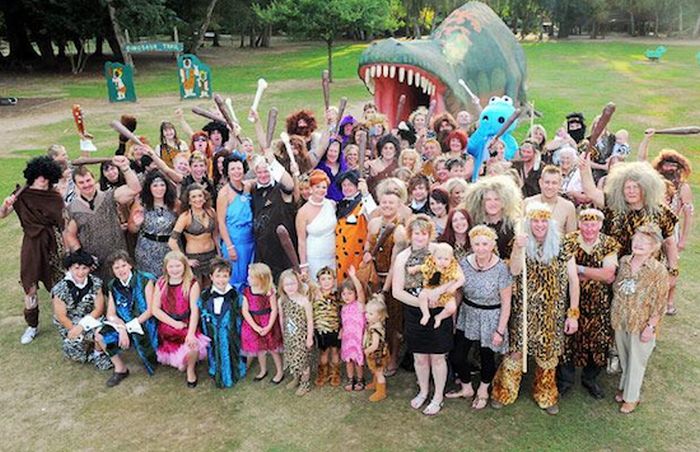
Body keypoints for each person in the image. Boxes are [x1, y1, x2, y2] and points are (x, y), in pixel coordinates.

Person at [491, 202, 579, 415]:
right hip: (524, 310)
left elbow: (573, 280)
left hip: (552, 312)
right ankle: (504, 392)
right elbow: (514, 271)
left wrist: (573, 313)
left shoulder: (563, 245)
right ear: (528, 223)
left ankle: (545, 394)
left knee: (548, 356)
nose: (539, 225)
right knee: (515, 352)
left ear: (550, 223)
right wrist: (518, 248)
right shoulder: (520, 241)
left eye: (543, 221)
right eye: (535, 221)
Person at [392, 215, 465, 416]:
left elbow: (458, 277)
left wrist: (438, 295)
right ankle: (423, 392)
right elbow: (397, 291)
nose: (420, 237)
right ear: (410, 234)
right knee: (420, 357)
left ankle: (438, 397)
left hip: (440, 310)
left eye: (424, 233)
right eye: (416, 233)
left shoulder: (440, 250)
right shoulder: (402, 257)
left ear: (430, 234)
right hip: (415, 312)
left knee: (438, 357)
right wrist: (422, 302)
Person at [580, 158, 678, 305]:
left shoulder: (660, 211)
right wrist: (584, 169)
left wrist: (673, 271)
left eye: (636, 187)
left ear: (645, 188)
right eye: (627, 187)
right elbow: (591, 192)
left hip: (645, 273)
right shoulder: (613, 204)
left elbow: (669, 243)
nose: (631, 191)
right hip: (613, 271)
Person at [1, 156, 64, 344]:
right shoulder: (21, 194)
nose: (43, 179)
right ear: (32, 175)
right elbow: (2, 215)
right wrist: (5, 205)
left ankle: (60, 317)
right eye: (39, 175)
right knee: (30, 286)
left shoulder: (54, 196)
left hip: (52, 243)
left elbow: (63, 223)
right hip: (31, 243)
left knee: (57, 284)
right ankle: (32, 325)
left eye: (46, 175)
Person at [447, 225, 511, 410]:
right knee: (457, 355)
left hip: (491, 316)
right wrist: (453, 317)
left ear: (492, 245)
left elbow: (506, 302)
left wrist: (500, 331)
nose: (481, 248)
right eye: (477, 244)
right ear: (472, 245)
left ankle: (483, 390)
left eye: (485, 244)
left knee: (487, 357)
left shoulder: (501, 268)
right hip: (468, 313)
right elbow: (459, 292)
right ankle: (466, 387)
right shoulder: (464, 264)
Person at [558, 209, 620, 399]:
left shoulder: (608, 243)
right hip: (571, 298)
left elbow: (608, 274)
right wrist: (595, 273)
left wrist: (579, 269)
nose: (589, 229)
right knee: (568, 339)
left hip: (599, 301)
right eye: (586, 224)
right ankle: (565, 380)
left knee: (598, 339)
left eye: (593, 225)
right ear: (579, 224)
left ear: (600, 225)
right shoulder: (569, 241)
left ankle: (590, 378)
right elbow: (563, 270)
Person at [611, 224, 669, 413]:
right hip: (621, 319)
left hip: (642, 323)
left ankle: (631, 398)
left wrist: (651, 326)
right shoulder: (624, 261)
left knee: (637, 362)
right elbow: (617, 287)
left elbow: (660, 301)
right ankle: (625, 388)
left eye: (645, 242)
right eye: (637, 240)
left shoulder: (658, 270)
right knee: (625, 358)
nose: (639, 244)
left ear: (654, 247)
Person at [65, 157, 142, 280]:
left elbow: (134, 189)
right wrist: (81, 254)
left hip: (118, 259)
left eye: (88, 180)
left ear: (93, 179)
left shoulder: (109, 196)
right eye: (81, 182)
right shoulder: (72, 208)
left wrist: (125, 168)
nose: (86, 185)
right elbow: (70, 234)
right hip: (94, 263)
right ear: (76, 185)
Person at [364, 188, 408, 375]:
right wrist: (367, 252)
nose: (387, 205)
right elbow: (368, 243)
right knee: (374, 319)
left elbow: (394, 266)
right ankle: (377, 353)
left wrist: (384, 291)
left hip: (392, 282)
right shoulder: (374, 223)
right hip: (374, 278)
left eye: (391, 203)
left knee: (392, 322)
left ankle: (394, 357)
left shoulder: (400, 231)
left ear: (398, 205)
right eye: (384, 202)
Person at [99, 251, 158, 387]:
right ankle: (120, 369)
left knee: (151, 353)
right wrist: (121, 328)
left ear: (130, 265)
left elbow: (150, 311)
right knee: (99, 335)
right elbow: (111, 314)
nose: (121, 270)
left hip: (145, 322)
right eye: (116, 268)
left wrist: (128, 326)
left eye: (123, 265)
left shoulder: (145, 279)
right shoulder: (113, 285)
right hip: (124, 324)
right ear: (112, 271)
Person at [152, 251, 210, 387]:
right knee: (179, 361)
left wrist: (191, 333)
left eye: (178, 266)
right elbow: (155, 309)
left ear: (185, 266)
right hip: (168, 324)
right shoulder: (161, 283)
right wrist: (174, 323)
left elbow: (195, 310)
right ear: (166, 268)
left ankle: (191, 371)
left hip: (187, 323)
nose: (175, 270)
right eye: (171, 266)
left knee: (193, 345)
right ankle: (181, 360)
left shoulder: (192, 283)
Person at [51, 250, 112, 370]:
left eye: (84, 268)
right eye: (76, 268)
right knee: (75, 352)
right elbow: (61, 316)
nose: (80, 272)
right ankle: (86, 347)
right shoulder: (60, 289)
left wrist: (82, 326)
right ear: (70, 268)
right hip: (70, 322)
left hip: (91, 317)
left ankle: (98, 353)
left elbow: (99, 309)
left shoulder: (96, 283)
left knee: (101, 333)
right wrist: (75, 329)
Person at [198, 258, 246, 388]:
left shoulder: (236, 296)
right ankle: (215, 370)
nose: (221, 280)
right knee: (214, 351)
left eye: (225, 276)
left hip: (231, 334)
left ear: (230, 277)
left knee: (231, 351)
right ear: (211, 277)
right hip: (212, 334)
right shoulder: (204, 296)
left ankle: (234, 372)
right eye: (218, 276)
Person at [250, 154, 297, 281]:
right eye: (259, 172)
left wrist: (271, 159)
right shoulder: (253, 191)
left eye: (266, 171)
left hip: (281, 248)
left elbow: (290, 186)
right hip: (262, 249)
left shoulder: (280, 189)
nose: (263, 175)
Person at [216, 155, 255, 292]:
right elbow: (221, 222)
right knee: (236, 278)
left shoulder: (247, 186)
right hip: (234, 241)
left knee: (250, 277)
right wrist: (229, 246)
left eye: (239, 168)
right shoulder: (224, 193)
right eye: (232, 169)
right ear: (227, 172)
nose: (236, 172)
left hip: (250, 239)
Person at [241, 263, 284, 384]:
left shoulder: (269, 291)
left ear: (261, 278)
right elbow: (245, 311)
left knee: (273, 348)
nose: (248, 278)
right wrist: (255, 327)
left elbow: (274, 309)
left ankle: (279, 371)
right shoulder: (247, 292)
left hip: (267, 321)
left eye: (251, 277)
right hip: (253, 322)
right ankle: (263, 370)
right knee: (259, 348)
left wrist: (269, 326)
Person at [169, 183, 219, 287]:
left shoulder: (211, 212)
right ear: (189, 201)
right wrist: (185, 260)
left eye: (200, 196)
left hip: (212, 256)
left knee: (212, 287)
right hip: (195, 258)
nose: (198, 199)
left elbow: (215, 234)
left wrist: (219, 253)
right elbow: (172, 241)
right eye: (193, 197)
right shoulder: (185, 217)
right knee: (196, 287)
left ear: (204, 198)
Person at [130, 171, 178, 278]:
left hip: (167, 248)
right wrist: (137, 224)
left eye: (162, 185)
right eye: (155, 185)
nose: (159, 189)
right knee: (148, 280)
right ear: (149, 188)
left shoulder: (174, 204)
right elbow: (131, 229)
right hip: (146, 249)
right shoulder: (141, 204)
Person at [463, 174, 522, 259]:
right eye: (488, 200)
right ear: (481, 202)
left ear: (504, 202)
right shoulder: (474, 224)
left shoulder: (514, 225)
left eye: (497, 199)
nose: (492, 203)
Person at [335, 170, 377, 283]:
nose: (347, 188)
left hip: (357, 254)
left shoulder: (363, 203)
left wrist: (366, 194)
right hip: (340, 255)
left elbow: (374, 216)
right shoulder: (338, 205)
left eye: (350, 185)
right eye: (344, 185)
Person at [278, 269, 314, 396]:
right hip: (289, 336)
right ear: (282, 286)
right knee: (292, 358)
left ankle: (305, 383)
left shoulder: (304, 301)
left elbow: (310, 321)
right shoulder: (281, 300)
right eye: (287, 284)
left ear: (298, 283)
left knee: (303, 361)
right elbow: (281, 318)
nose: (290, 287)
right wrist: (283, 334)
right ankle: (296, 378)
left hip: (302, 337)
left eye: (293, 283)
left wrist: (309, 338)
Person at [296, 170, 337, 280]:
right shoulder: (303, 212)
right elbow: (301, 241)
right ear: (311, 188)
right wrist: (303, 265)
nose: (321, 190)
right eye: (317, 187)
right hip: (314, 257)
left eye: (324, 187)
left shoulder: (331, 205)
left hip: (333, 255)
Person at [412, 243, 459, 328]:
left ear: (451, 260)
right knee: (422, 296)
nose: (442, 261)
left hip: (446, 294)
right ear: (434, 258)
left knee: (452, 308)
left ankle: (439, 317)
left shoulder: (452, 269)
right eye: (439, 258)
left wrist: (452, 286)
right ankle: (426, 314)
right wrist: (414, 269)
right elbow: (422, 267)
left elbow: (456, 279)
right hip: (430, 288)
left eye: (446, 259)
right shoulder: (431, 266)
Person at [524, 165, 577, 235]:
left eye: (554, 183)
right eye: (547, 182)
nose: (550, 187)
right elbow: (521, 232)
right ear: (540, 183)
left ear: (560, 184)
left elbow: (571, 237)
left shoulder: (568, 207)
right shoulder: (528, 203)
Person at [312, 267, 342, 387]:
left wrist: (342, 328)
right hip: (321, 330)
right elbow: (310, 286)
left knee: (335, 352)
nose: (326, 281)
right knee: (323, 353)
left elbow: (341, 313)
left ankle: (335, 374)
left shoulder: (337, 296)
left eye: (329, 278)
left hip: (335, 328)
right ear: (318, 281)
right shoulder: (315, 294)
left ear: (334, 281)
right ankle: (322, 374)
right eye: (323, 279)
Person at [339, 266, 366, 391]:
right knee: (348, 360)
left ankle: (360, 379)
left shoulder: (359, 305)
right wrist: (341, 330)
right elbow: (344, 322)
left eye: (350, 293)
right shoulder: (344, 308)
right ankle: (351, 379)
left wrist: (354, 277)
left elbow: (360, 291)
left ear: (355, 293)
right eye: (344, 294)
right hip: (347, 339)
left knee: (357, 360)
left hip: (358, 339)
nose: (346, 296)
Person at [363, 294, 390, 402]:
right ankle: (375, 384)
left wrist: (366, 350)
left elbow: (375, 345)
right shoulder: (373, 324)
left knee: (379, 373)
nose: (367, 315)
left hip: (377, 355)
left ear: (379, 316)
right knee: (375, 370)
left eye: (370, 314)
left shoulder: (376, 329)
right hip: (375, 354)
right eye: (366, 312)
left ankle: (381, 391)